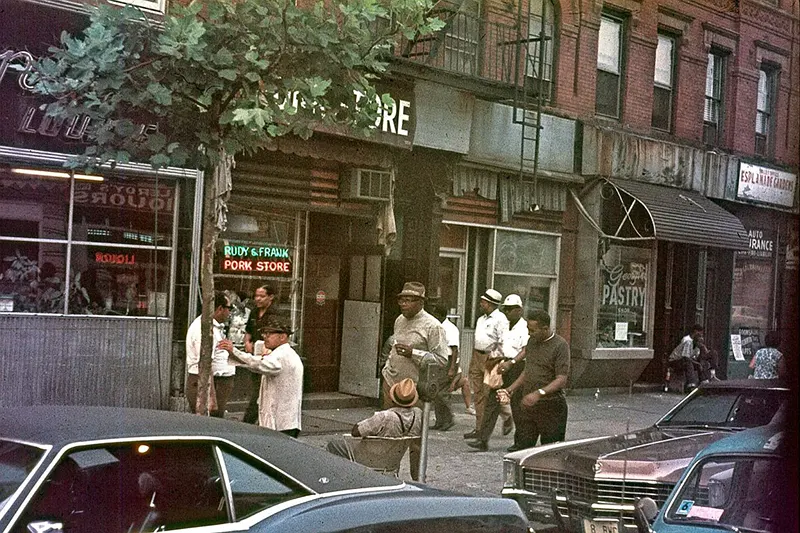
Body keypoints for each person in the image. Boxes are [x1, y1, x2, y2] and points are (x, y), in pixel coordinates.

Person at [381, 281, 449, 479]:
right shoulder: (399, 320)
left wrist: (415, 353)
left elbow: (442, 360)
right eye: (402, 299)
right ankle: (388, 476)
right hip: (391, 382)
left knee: (416, 440)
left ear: (421, 302)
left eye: (409, 300)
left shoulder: (433, 326)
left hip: (415, 389)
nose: (404, 304)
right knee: (388, 433)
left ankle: (418, 480)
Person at [326, 378, 424, 478]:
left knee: (333, 445)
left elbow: (356, 432)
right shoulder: (418, 414)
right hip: (392, 461)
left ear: (392, 398)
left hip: (367, 457)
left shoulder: (385, 416)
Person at [467, 294, 528, 451]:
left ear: (519, 310)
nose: (507, 312)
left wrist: (512, 362)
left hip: (516, 366)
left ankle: (520, 442)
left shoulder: (524, 327)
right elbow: (497, 344)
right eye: (505, 309)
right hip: (500, 363)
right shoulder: (503, 324)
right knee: (491, 402)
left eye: (511, 309)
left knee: (516, 404)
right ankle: (482, 440)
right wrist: (493, 361)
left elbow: (526, 350)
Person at [501, 309, 569, 449]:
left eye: (532, 330)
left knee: (549, 450)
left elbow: (561, 379)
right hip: (529, 406)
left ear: (545, 328)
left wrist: (539, 393)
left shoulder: (560, 346)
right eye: (528, 329)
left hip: (551, 406)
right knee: (522, 448)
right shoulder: (532, 342)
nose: (529, 334)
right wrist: (510, 389)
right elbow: (528, 371)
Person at [226, 315, 304, 437]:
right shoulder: (282, 353)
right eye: (264, 334)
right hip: (283, 421)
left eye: (269, 334)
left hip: (281, 423)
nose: (265, 337)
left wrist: (235, 352)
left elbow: (259, 364)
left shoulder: (282, 355)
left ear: (282, 337)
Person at [464, 288, 510, 440]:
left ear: (490, 303)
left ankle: (503, 416)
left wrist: (494, 360)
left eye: (483, 301)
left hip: (491, 358)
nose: (480, 303)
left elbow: (503, 341)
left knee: (487, 393)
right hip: (477, 356)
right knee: (478, 393)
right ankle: (479, 428)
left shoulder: (500, 319)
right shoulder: (481, 319)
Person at [185, 292, 237, 417]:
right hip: (211, 383)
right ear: (220, 308)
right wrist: (211, 398)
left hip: (219, 383)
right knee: (212, 422)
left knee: (216, 420)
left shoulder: (215, 327)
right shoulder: (204, 328)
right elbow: (205, 365)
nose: (229, 313)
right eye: (229, 309)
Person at [242, 284, 278, 424]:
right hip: (255, 356)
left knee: (261, 391)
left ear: (270, 297)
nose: (258, 299)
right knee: (257, 387)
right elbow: (248, 330)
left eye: (262, 296)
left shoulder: (275, 313)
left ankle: (250, 420)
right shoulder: (254, 312)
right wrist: (247, 342)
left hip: (268, 356)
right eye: (256, 296)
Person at [427, 302, 461, 431]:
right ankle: (440, 421)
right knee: (435, 393)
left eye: (435, 313)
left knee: (442, 393)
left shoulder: (450, 328)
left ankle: (449, 419)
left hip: (447, 362)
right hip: (437, 361)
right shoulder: (436, 326)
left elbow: (454, 349)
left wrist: (452, 368)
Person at [667, 324, 705, 392]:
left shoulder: (697, 348)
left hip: (685, 361)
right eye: (699, 341)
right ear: (696, 340)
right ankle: (691, 385)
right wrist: (697, 363)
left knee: (701, 364)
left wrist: (702, 351)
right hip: (675, 360)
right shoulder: (688, 342)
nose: (701, 343)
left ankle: (703, 383)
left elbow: (696, 358)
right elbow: (685, 357)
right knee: (688, 363)